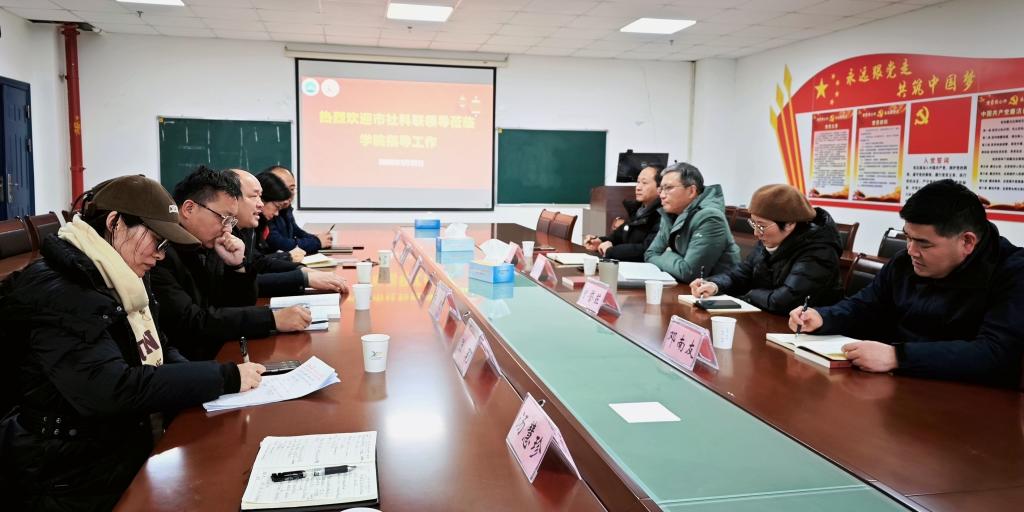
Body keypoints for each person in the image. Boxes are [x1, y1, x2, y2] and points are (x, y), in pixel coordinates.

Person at [0, 175, 265, 510]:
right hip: (64, 473)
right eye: (157, 241)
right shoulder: (63, 291)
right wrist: (222, 377)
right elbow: (111, 388)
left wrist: (213, 383)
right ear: (115, 223)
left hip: (112, 448)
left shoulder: (119, 274)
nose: (161, 255)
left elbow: (159, 348)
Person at [789, 180, 1024, 387]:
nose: (911, 250)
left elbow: (995, 353)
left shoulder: (1012, 272)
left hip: (968, 400)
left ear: (967, 241)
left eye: (924, 244)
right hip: (894, 385)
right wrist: (823, 317)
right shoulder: (904, 262)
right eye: (908, 238)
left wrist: (898, 357)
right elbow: (866, 305)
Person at [151, 167, 311, 361]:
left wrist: (237, 267)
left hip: (217, 353)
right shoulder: (159, 254)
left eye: (231, 221)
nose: (228, 229)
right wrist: (271, 319)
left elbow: (234, 306)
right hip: (192, 363)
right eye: (224, 218)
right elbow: (193, 322)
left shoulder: (207, 244)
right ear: (189, 209)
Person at [690, 184, 843, 314]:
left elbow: (784, 301)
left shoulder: (819, 251)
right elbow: (741, 274)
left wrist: (749, 295)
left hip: (804, 331)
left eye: (761, 226)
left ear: (790, 224)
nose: (756, 233)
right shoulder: (771, 239)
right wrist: (714, 285)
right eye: (754, 224)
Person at [231, 169, 346, 297]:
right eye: (254, 196)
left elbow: (259, 262)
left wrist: (302, 270)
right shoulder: (225, 234)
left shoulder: (247, 229)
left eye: (260, 196)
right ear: (232, 199)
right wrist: (304, 278)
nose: (260, 204)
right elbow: (240, 286)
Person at [644, 162, 741, 282]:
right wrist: (677, 261)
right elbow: (650, 254)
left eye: (668, 188)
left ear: (691, 191)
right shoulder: (670, 214)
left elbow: (689, 272)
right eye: (661, 189)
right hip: (682, 286)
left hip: (716, 290)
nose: (662, 195)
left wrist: (666, 253)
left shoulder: (710, 218)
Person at [583, 165, 664, 261]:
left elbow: (647, 249)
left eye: (644, 183)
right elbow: (618, 237)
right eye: (638, 182)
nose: (638, 187)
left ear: (660, 188)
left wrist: (611, 251)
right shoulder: (637, 210)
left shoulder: (662, 215)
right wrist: (600, 241)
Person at [263, 165, 331, 254]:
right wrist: (317, 242)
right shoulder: (264, 212)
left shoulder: (286, 208)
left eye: (291, 189)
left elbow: (296, 231)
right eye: (282, 189)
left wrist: (315, 238)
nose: (288, 194)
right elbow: (281, 244)